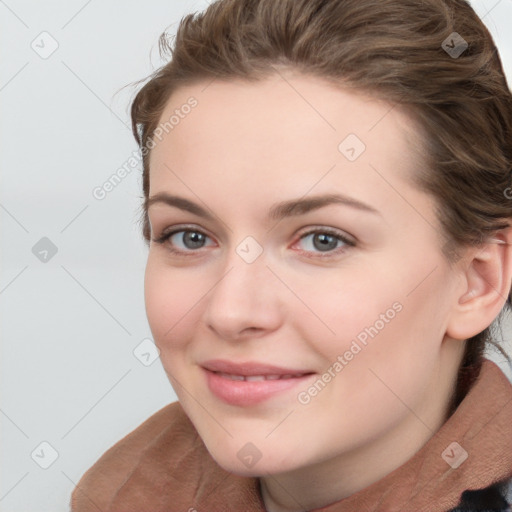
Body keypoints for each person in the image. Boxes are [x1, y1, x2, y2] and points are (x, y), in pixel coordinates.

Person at [71, 0, 512, 510]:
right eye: (190, 236)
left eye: (323, 239)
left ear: (478, 281)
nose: (231, 312)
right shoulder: (118, 492)